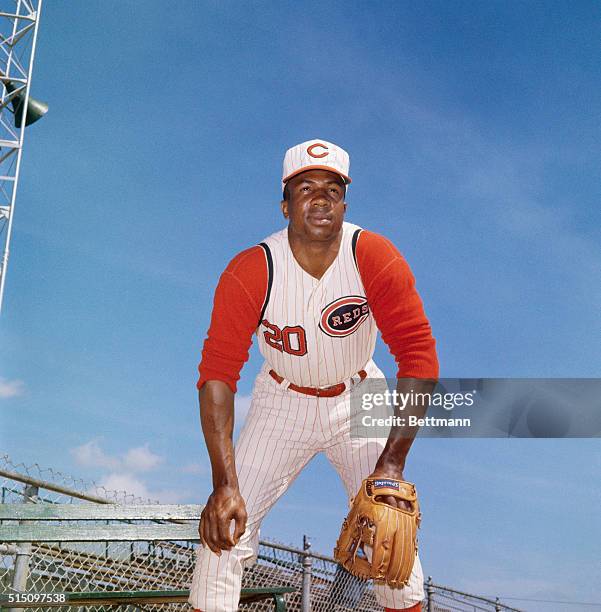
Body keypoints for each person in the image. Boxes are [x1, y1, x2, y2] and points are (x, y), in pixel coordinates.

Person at [189, 139, 438, 612]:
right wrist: (223, 483)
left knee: (393, 546)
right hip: (282, 402)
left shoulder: (373, 254)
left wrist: (392, 464)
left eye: (333, 188)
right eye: (305, 188)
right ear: (285, 204)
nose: (320, 198)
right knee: (224, 534)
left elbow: (418, 357)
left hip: (359, 397)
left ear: (345, 202)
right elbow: (218, 374)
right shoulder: (251, 269)